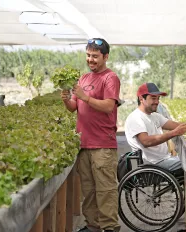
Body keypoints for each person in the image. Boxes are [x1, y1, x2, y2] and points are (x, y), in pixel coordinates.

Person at [61, 38, 120, 232]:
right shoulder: (84, 79)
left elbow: (109, 106)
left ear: (105, 57)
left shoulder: (110, 78)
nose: (90, 60)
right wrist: (66, 99)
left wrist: (86, 97)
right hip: (84, 144)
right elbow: (74, 108)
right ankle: (93, 227)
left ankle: (110, 227)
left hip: (103, 145)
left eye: (95, 56)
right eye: (88, 55)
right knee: (88, 192)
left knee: (106, 191)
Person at [124, 82, 186, 174]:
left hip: (164, 159)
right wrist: (174, 133)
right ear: (141, 98)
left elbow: (177, 126)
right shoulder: (135, 118)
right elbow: (146, 141)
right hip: (153, 165)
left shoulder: (155, 116)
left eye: (158, 98)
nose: (157, 102)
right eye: (153, 98)